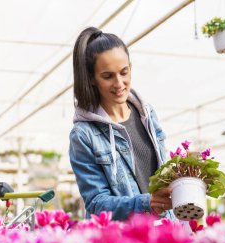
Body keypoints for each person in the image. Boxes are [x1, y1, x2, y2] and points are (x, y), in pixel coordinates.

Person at [69, 27, 173, 221]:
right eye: (107, 76)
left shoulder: (148, 115)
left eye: (124, 72)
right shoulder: (84, 134)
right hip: (126, 238)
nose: (119, 83)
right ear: (91, 78)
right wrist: (146, 203)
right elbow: (96, 203)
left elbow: (162, 173)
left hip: (165, 228)